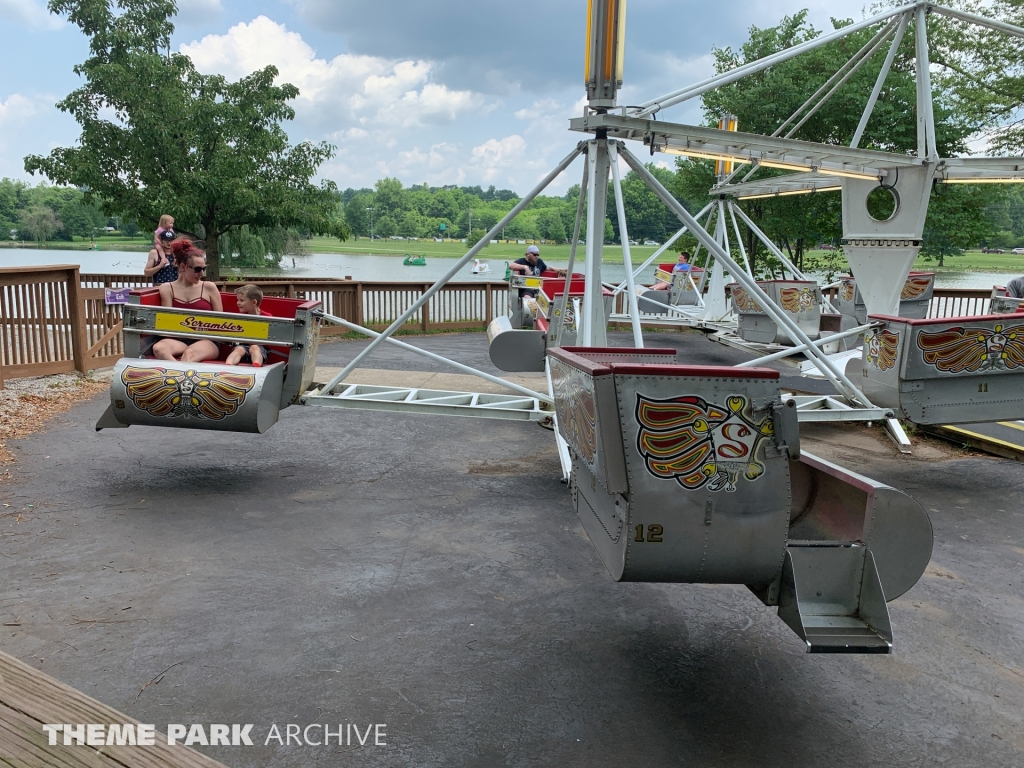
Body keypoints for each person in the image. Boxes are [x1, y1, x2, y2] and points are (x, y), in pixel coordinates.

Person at [150, 239, 223, 363]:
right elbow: (166, 323)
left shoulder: (209, 287)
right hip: (178, 339)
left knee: (190, 354)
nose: (201, 273)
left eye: (203, 269)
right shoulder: (167, 288)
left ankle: (178, 379)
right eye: (197, 269)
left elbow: (220, 321)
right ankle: (179, 377)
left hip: (207, 341)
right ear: (183, 267)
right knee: (159, 348)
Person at [225, 284, 272, 367]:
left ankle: (256, 366)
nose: (238, 303)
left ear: (254, 302)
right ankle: (228, 366)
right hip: (243, 346)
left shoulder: (267, 317)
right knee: (239, 349)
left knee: (254, 348)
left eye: (241, 300)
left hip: (260, 348)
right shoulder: (241, 317)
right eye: (238, 300)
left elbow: (271, 337)